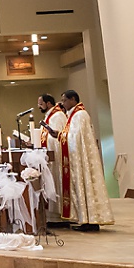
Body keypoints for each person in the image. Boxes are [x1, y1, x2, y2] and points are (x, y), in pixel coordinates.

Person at [47, 91, 114, 230]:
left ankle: (89, 221)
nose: (62, 103)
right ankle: (85, 219)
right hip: (77, 157)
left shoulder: (80, 115)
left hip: (82, 159)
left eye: (64, 100)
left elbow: (75, 138)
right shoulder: (73, 115)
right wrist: (59, 135)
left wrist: (59, 134)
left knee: (85, 185)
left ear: (73, 99)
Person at [37, 93, 67, 223]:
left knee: (55, 182)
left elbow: (60, 137)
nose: (39, 106)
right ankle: (51, 215)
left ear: (48, 103)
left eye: (41, 104)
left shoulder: (58, 116)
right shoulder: (49, 116)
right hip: (48, 157)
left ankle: (58, 216)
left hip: (57, 158)